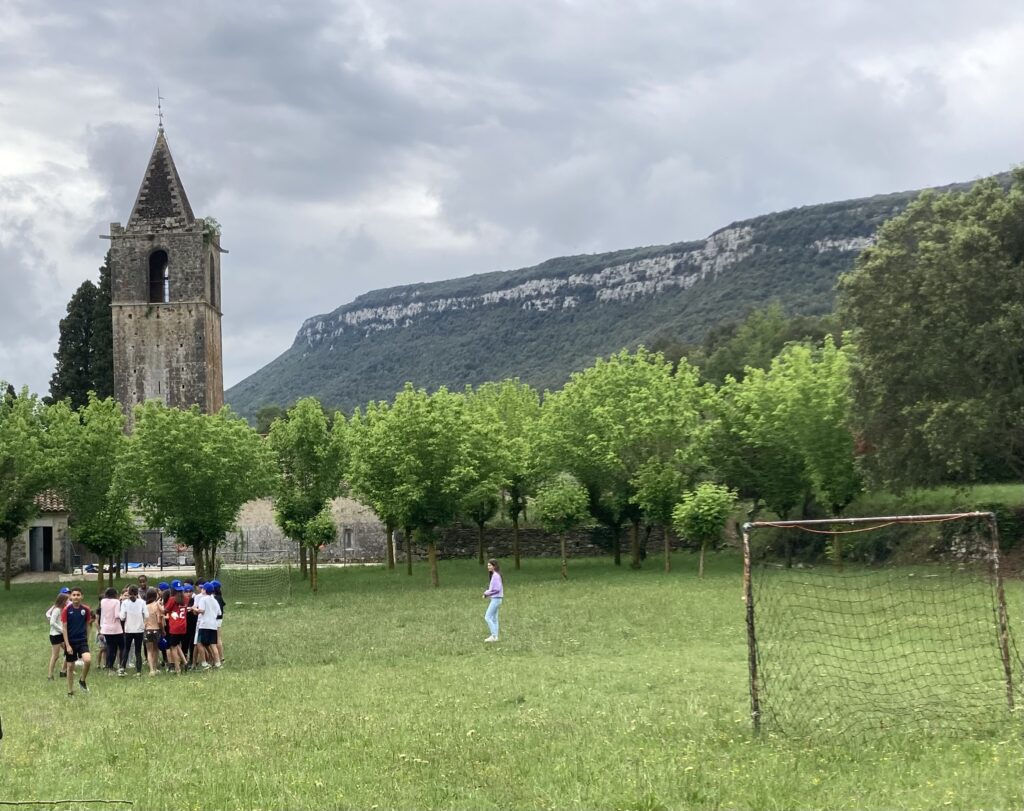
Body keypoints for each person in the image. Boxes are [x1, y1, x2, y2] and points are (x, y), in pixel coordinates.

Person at [61, 588, 93, 695]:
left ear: (82, 596)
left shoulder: (86, 609)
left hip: (82, 640)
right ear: (70, 597)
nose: (76, 597)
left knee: (87, 660)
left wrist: (87, 639)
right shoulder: (66, 610)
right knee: (70, 667)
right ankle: (70, 691)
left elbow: (88, 625)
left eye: (78, 595)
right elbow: (64, 628)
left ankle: (82, 680)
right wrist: (67, 645)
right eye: (74, 595)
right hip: (71, 642)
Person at [120, 585, 147, 676]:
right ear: (137, 593)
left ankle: (122, 668)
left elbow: (122, 617)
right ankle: (138, 671)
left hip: (128, 629)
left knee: (126, 649)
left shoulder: (125, 603)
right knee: (138, 651)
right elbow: (146, 615)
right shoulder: (142, 602)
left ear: (128, 593)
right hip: (139, 629)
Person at [194, 582, 221, 669]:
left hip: (204, 625)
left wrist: (194, 608)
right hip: (213, 625)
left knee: (199, 643)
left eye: (202, 588)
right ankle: (218, 663)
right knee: (213, 645)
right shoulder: (215, 600)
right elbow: (219, 613)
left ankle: (204, 663)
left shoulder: (203, 599)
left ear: (204, 590)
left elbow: (201, 610)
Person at [99, 587, 125, 675]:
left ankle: (109, 666)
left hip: (106, 628)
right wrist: (123, 614)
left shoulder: (103, 601)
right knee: (122, 647)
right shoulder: (116, 602)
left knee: (110, 648)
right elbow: (117, 615)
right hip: (116, 628)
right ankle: (121, 665)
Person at [46, 592, 70, 680]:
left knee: (69, 651)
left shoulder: (63, 609)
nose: (68, 601)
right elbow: (52, 623)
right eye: (67, 600)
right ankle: (50, 675)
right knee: (55, 656)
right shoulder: (56, 610)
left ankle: (63, 671)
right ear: (62, 600)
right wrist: (62, 630)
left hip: (61, 634)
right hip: (55, 635)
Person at [143, 587, 163, 676]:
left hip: (147, 629)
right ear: (155, 596)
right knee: (156, 650)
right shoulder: (157, 606)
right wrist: (163, 630)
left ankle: (151, 670)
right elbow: (159, 620)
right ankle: (155, 668)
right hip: (156, 629)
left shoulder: (145, 606)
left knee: (149, 651)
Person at [482, 559, 503, 643]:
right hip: (496, 599)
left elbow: (497, 589)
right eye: (488, 565)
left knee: (487, 617)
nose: (488, 567)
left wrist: (486, 593)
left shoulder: (496, 576)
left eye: (490, 565)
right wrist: (488, 593)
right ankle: (495, 637)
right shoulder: (495, 575)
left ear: (494, 566)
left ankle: (493, 636)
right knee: (494, 618)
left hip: (496, 599)